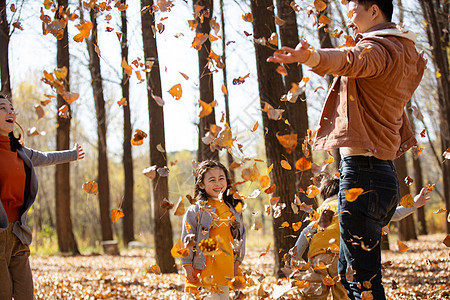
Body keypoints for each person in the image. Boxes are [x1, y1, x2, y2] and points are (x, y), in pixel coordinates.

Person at [267, 0, 426, 298]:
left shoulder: (379, 48)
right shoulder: (403, 52)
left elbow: (351, 60)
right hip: (381, 176)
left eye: (354, 12)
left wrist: (311, 56)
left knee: (361, 282)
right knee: (349, 274)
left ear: (374, 11)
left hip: (363, 178)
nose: (350, 21)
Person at [0, 94, 85, 299]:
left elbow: (46, 157)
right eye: (3, 108)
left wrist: (72, 154)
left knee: (25, 294)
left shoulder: (20, 151)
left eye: (12, 108)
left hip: (19, 233)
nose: (11, 112)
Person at [291, 176, 430, 300]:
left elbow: (306, 231)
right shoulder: (352, 205)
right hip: (344, 258)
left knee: (313, 294)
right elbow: (392, 215)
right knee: (344, 294)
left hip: (318, 258)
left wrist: (295, 256)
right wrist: (415, 204)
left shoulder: (322, 210)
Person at [180, 160, 246, 300]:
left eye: (221, 179)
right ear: (201, 185)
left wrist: (237, 261)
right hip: (204, 268)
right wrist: (187, 265)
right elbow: (186, 239)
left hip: (226, 265)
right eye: (212, 180)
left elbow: (241, 236)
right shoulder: (196, 210)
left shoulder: (232, 210)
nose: (218, 184)